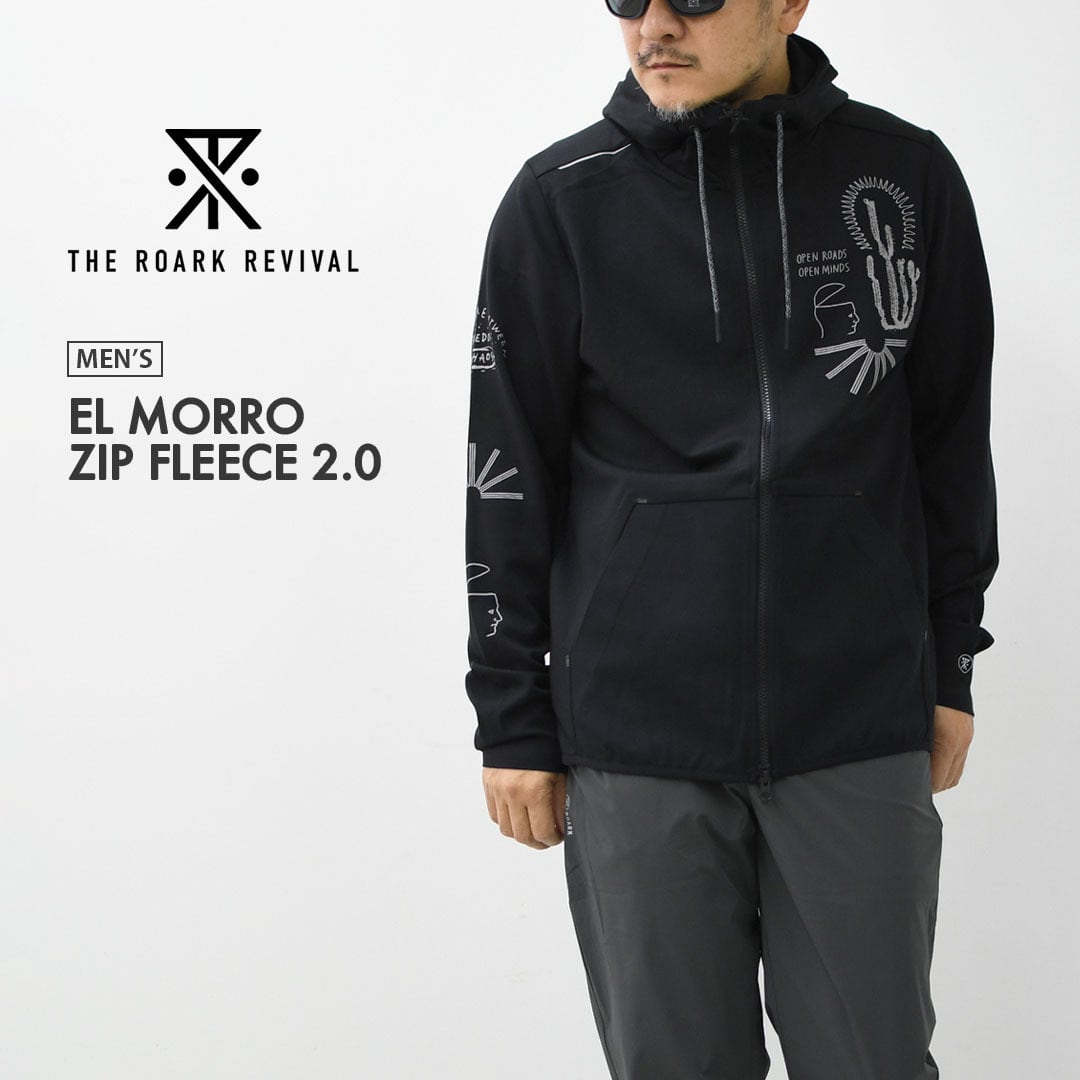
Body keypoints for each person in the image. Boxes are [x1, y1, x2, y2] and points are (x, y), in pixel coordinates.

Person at [464, 0, 998, 1075]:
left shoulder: (905, 175)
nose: (655, 25)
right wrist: (512, 718)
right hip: (638, 731)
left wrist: (949, 665)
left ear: (787, 3)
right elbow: (507, 473)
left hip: (855, 714)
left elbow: (949, 441)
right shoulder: (561, 199)